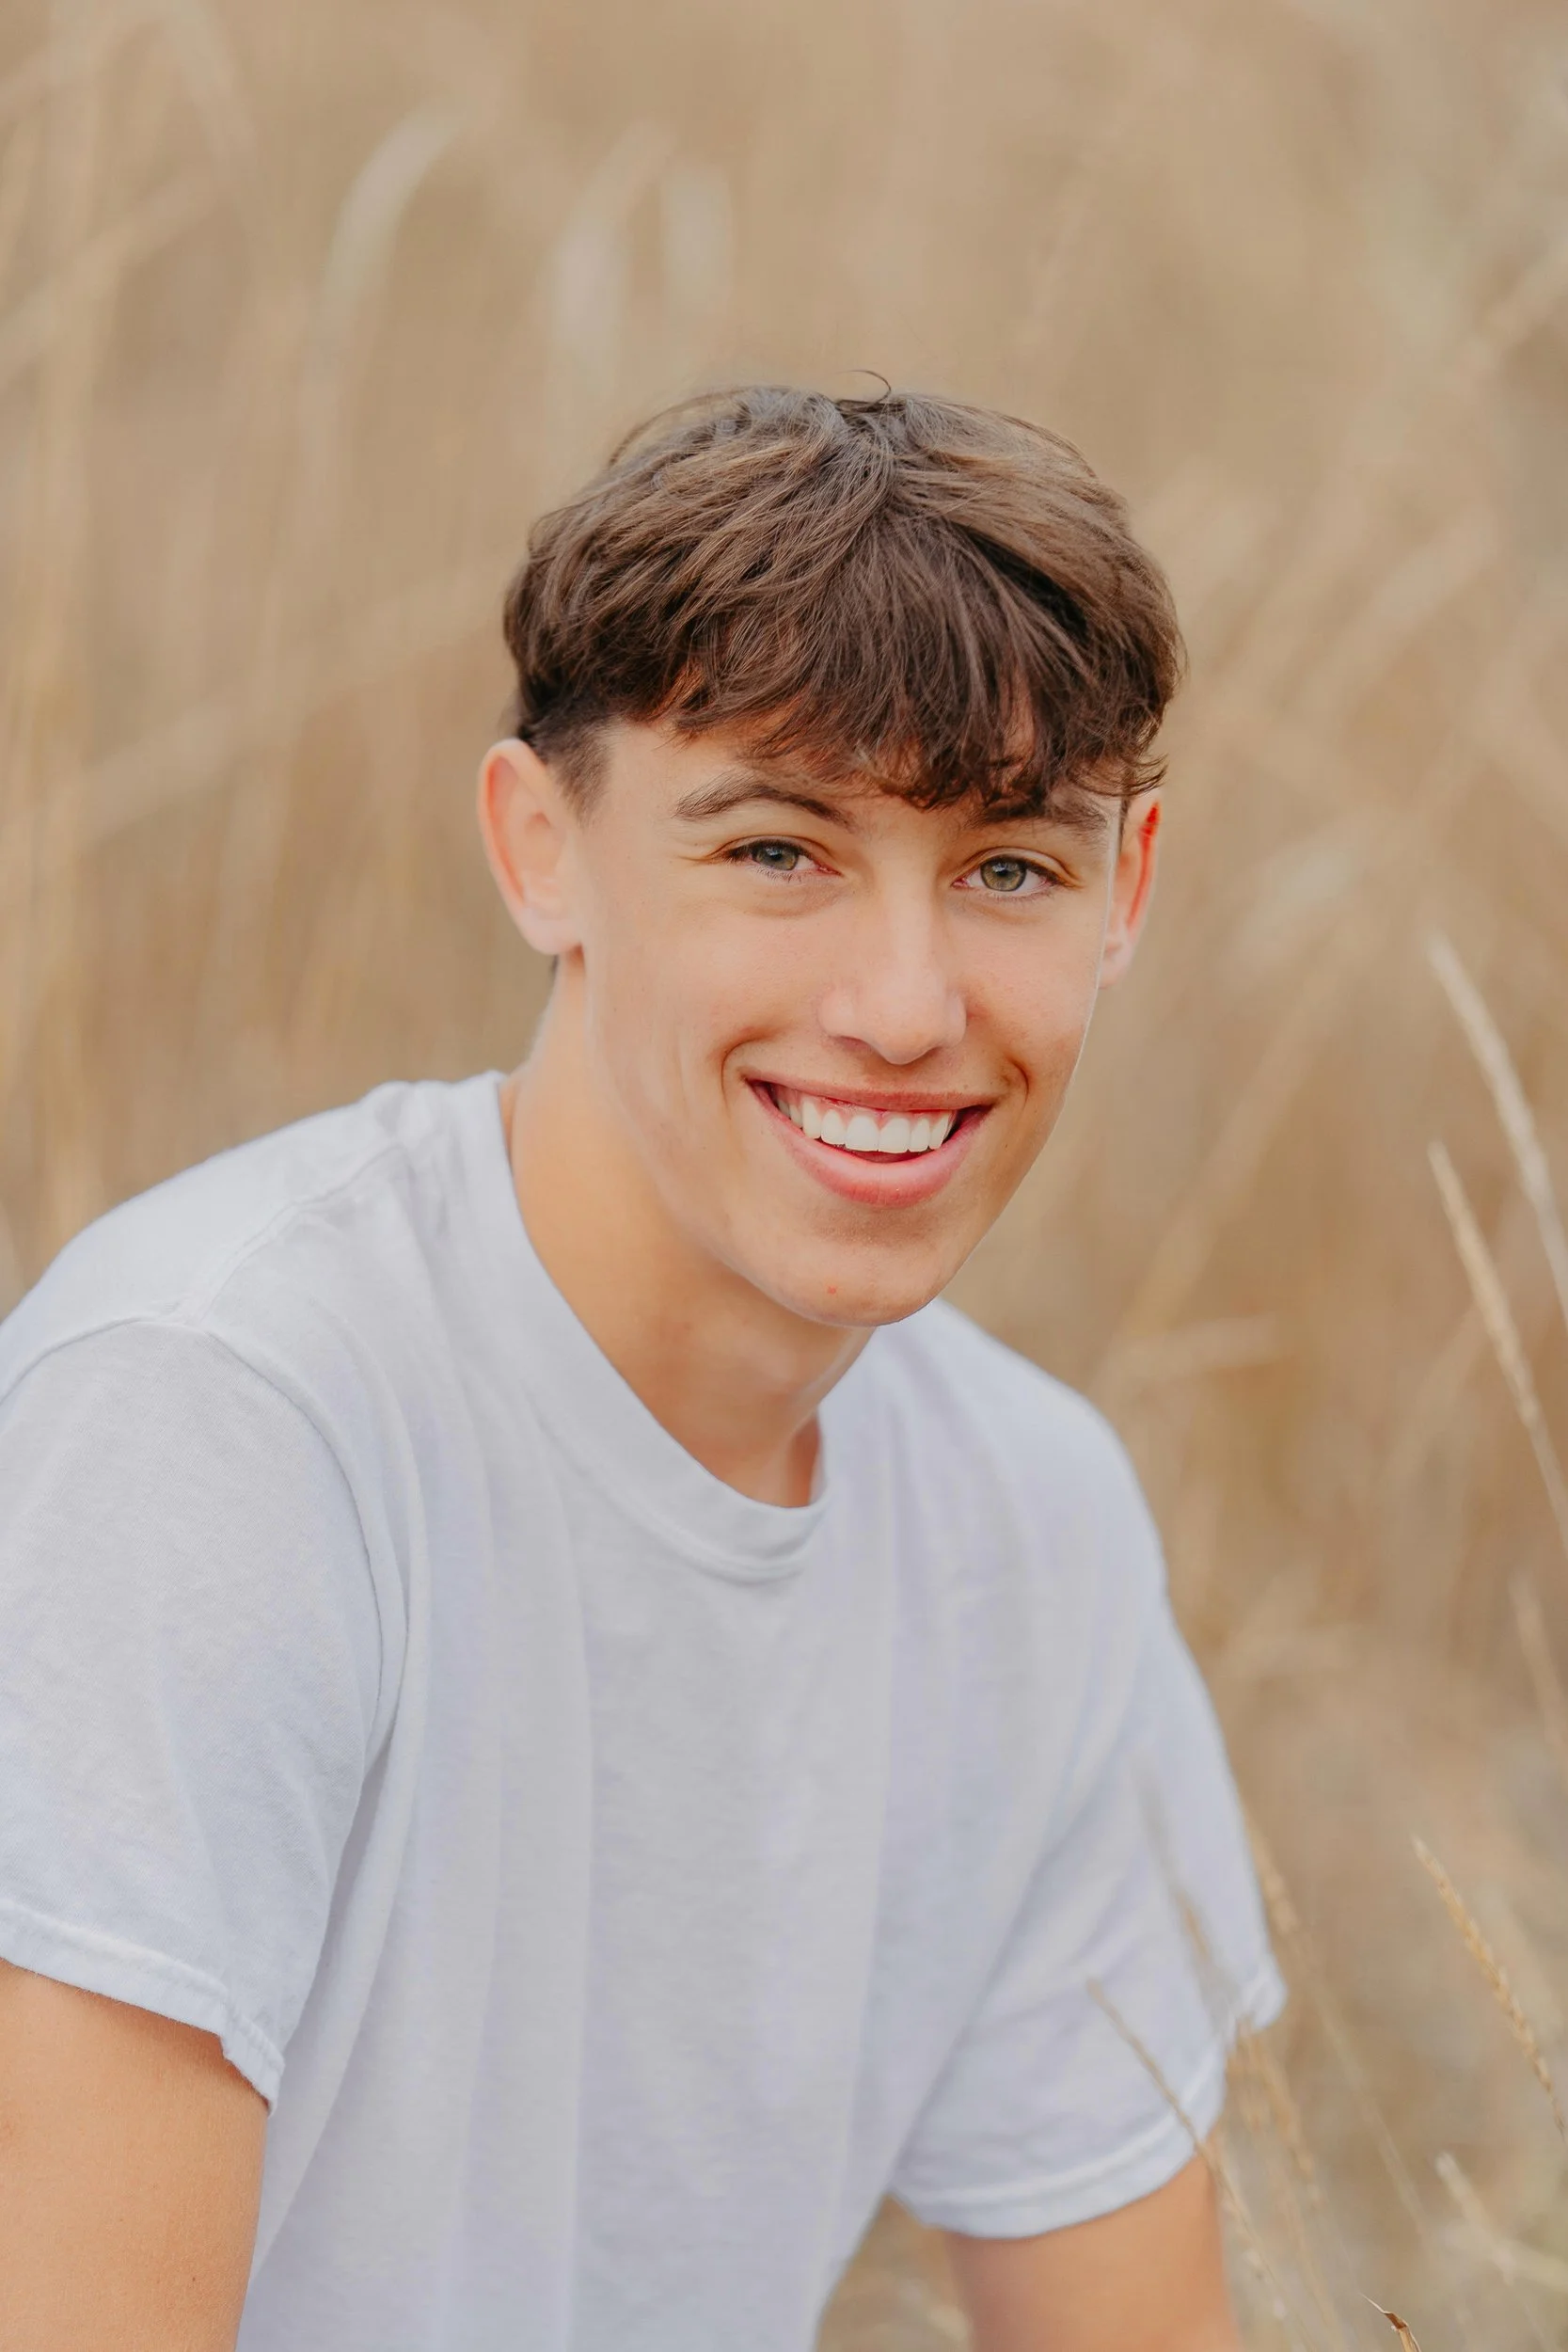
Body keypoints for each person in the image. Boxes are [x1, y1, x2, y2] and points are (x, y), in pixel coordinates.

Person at [0, 385, 1282, 2352]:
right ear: (539, 848)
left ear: (1127, 890)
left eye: (1007, 867)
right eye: (779, 850)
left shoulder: (1027, 1526)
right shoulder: (221, 1409)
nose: (901, 1002)